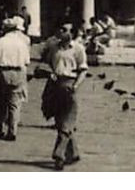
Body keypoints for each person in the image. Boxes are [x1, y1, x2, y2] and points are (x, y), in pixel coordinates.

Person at [42, 24, 87, 169]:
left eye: (64, 29)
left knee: (67, 121)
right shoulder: (54, 47)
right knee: (60, 121)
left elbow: (83, 70)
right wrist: (50, 72)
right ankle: (74, 153)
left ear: (72, 33)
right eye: (60, 28)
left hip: (69, 84)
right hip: (54, 86)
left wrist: (75, 86)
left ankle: (59, 155)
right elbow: (48, 62)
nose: (60, 31)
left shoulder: (78, 49)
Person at [0, 15, 31, 140]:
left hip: (2, 72)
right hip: (19, 72)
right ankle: (12, 131)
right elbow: (26, 62)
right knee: (14, 103)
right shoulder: (22, 43)